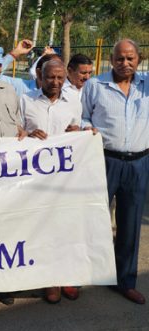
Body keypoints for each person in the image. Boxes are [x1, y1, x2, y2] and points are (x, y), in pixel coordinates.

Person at [81, 39, 148, 305]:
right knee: (92, 218)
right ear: (111, 59)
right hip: (104, 160)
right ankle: (81, 273)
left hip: (139, 164)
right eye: (120, 58)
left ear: (139, 59)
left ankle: (125, 280)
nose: (125, 63)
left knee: (130, 225)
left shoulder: (146, 86)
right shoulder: (95, 85)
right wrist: (86, 127)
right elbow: (82, 116)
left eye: (130, 58)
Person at [20, 59, 84, 303]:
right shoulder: (26, 100)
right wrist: (27, 135)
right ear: (40, 76)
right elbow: (17, 132)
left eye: (60, 78)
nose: (55, 82)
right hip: (35, 178)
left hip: (66, 179)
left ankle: (67, 277)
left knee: (67, 228)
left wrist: (79, 134)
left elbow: (77, 130)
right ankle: (49, 281)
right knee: (42, 229)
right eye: (50, 78)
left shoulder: (73, 102)